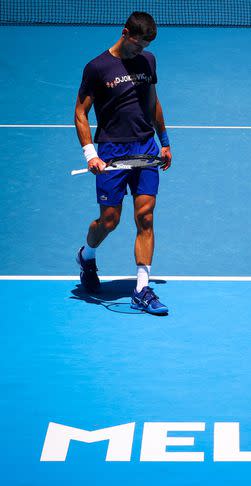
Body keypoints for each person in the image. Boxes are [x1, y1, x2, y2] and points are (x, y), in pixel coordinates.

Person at [74, 11, 172, 315]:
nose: (140, 50)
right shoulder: (97, 67)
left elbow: (152, 100)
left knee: (145, 217)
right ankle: (86, 256)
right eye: (137, 44)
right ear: (125, 32)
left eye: (145, 46)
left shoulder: (148, 61)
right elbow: (80, 112)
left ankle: (142, 290)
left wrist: (165, 141)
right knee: (110, 221)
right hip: (112, 151)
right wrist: (91, 154)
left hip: (145, 147)